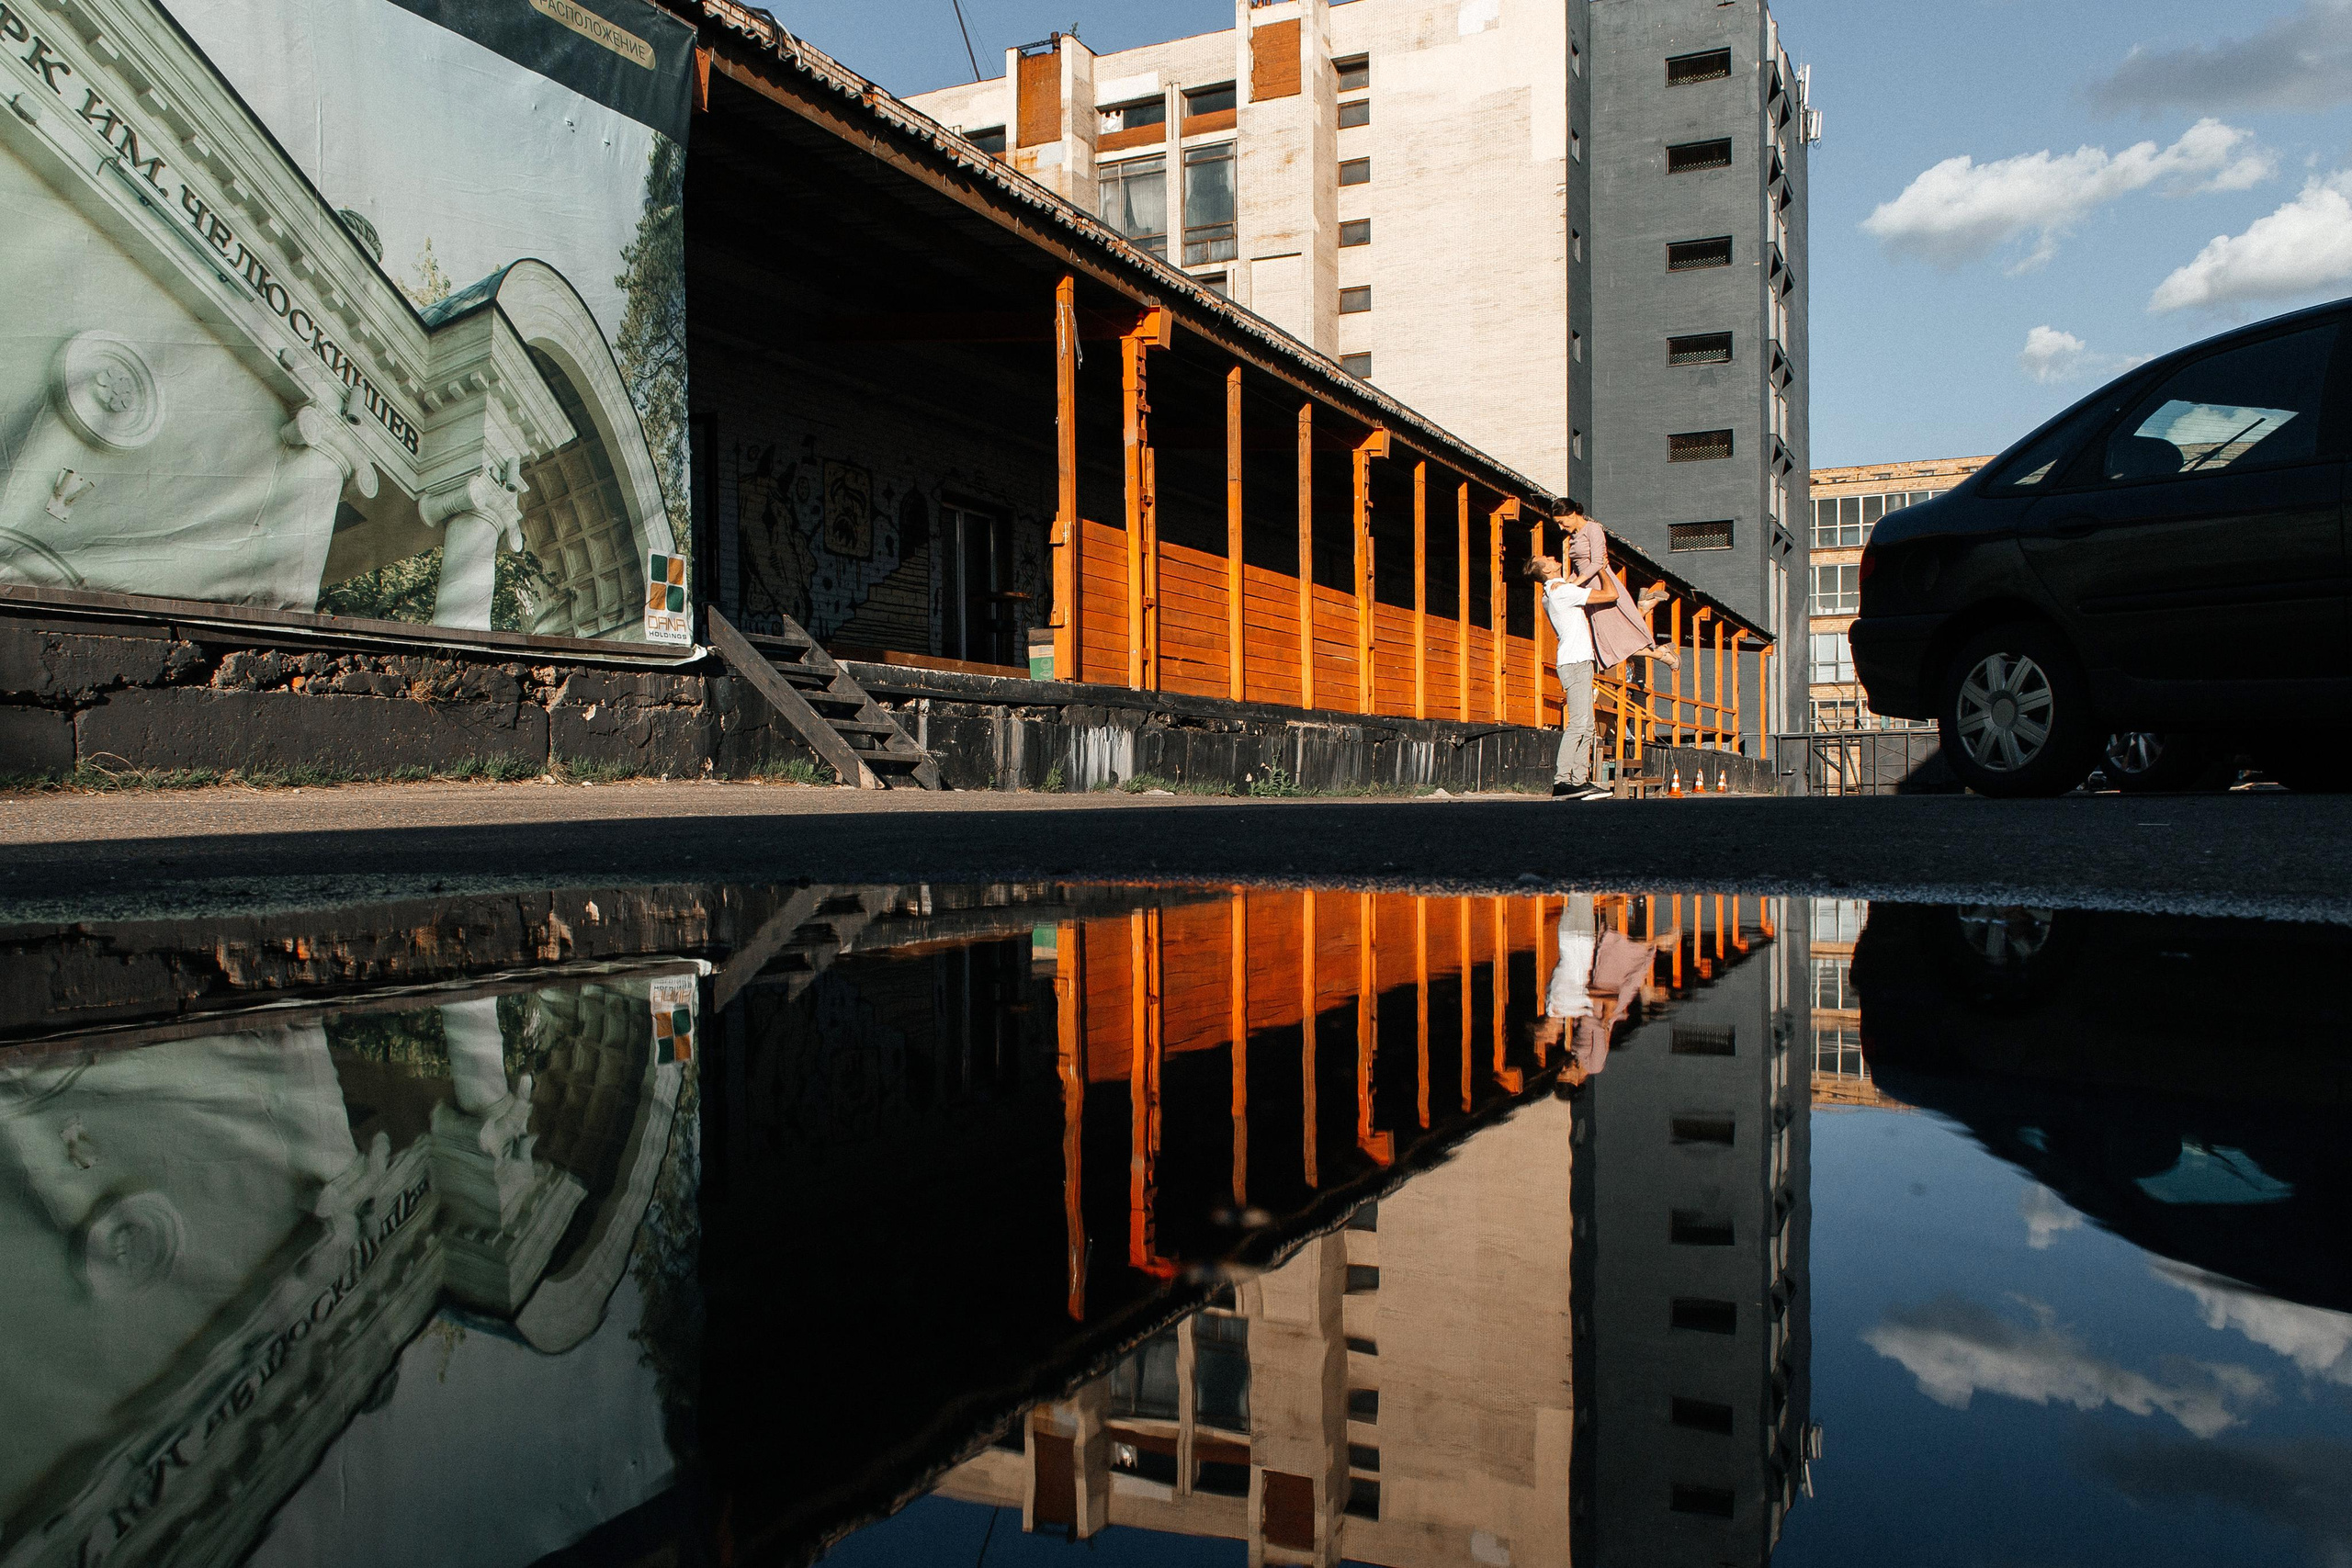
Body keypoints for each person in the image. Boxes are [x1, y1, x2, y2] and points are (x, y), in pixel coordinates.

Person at [1524, 551, 1611, 801]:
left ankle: (1579, 781)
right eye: (1548, 559)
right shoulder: (1562, 591)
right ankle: (1562, 781)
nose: (1552, 557)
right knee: (1578, 723)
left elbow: (1570, 585)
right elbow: (1610, 595)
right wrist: (1602, 569)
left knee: (1585, 724)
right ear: (1548, 570)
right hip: (1575, 662)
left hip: (1577, 661)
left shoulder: (1554, 592)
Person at [1560, 506, 1679, 675]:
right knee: (1608, 640)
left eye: (1561, 521)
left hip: (1601, 585)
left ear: (1571, 514)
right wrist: (1566, 583)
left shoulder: (1593, 529)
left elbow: (1597, 563)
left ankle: (1661, 652)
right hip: (1589, 589)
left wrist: (1573, 584)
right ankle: (1645, 611)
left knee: (1609, 642)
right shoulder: (1575, 536)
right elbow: (1579, 568)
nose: (1561, 527)